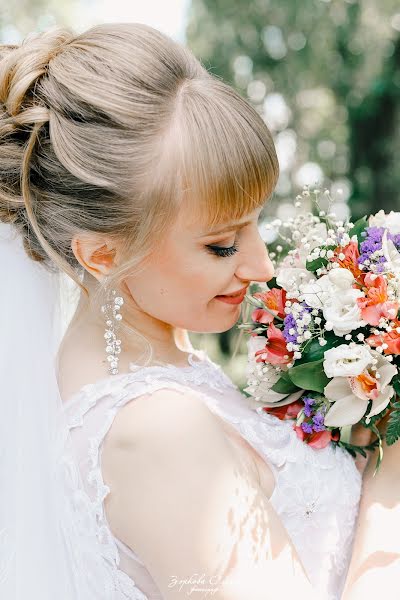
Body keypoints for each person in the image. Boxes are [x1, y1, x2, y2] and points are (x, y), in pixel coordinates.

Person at [0, 22, 373, 600]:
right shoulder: (155, 432)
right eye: (221, 244)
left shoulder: (164, 371)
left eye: (257, 223)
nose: (260, 266)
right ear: (103, 254)